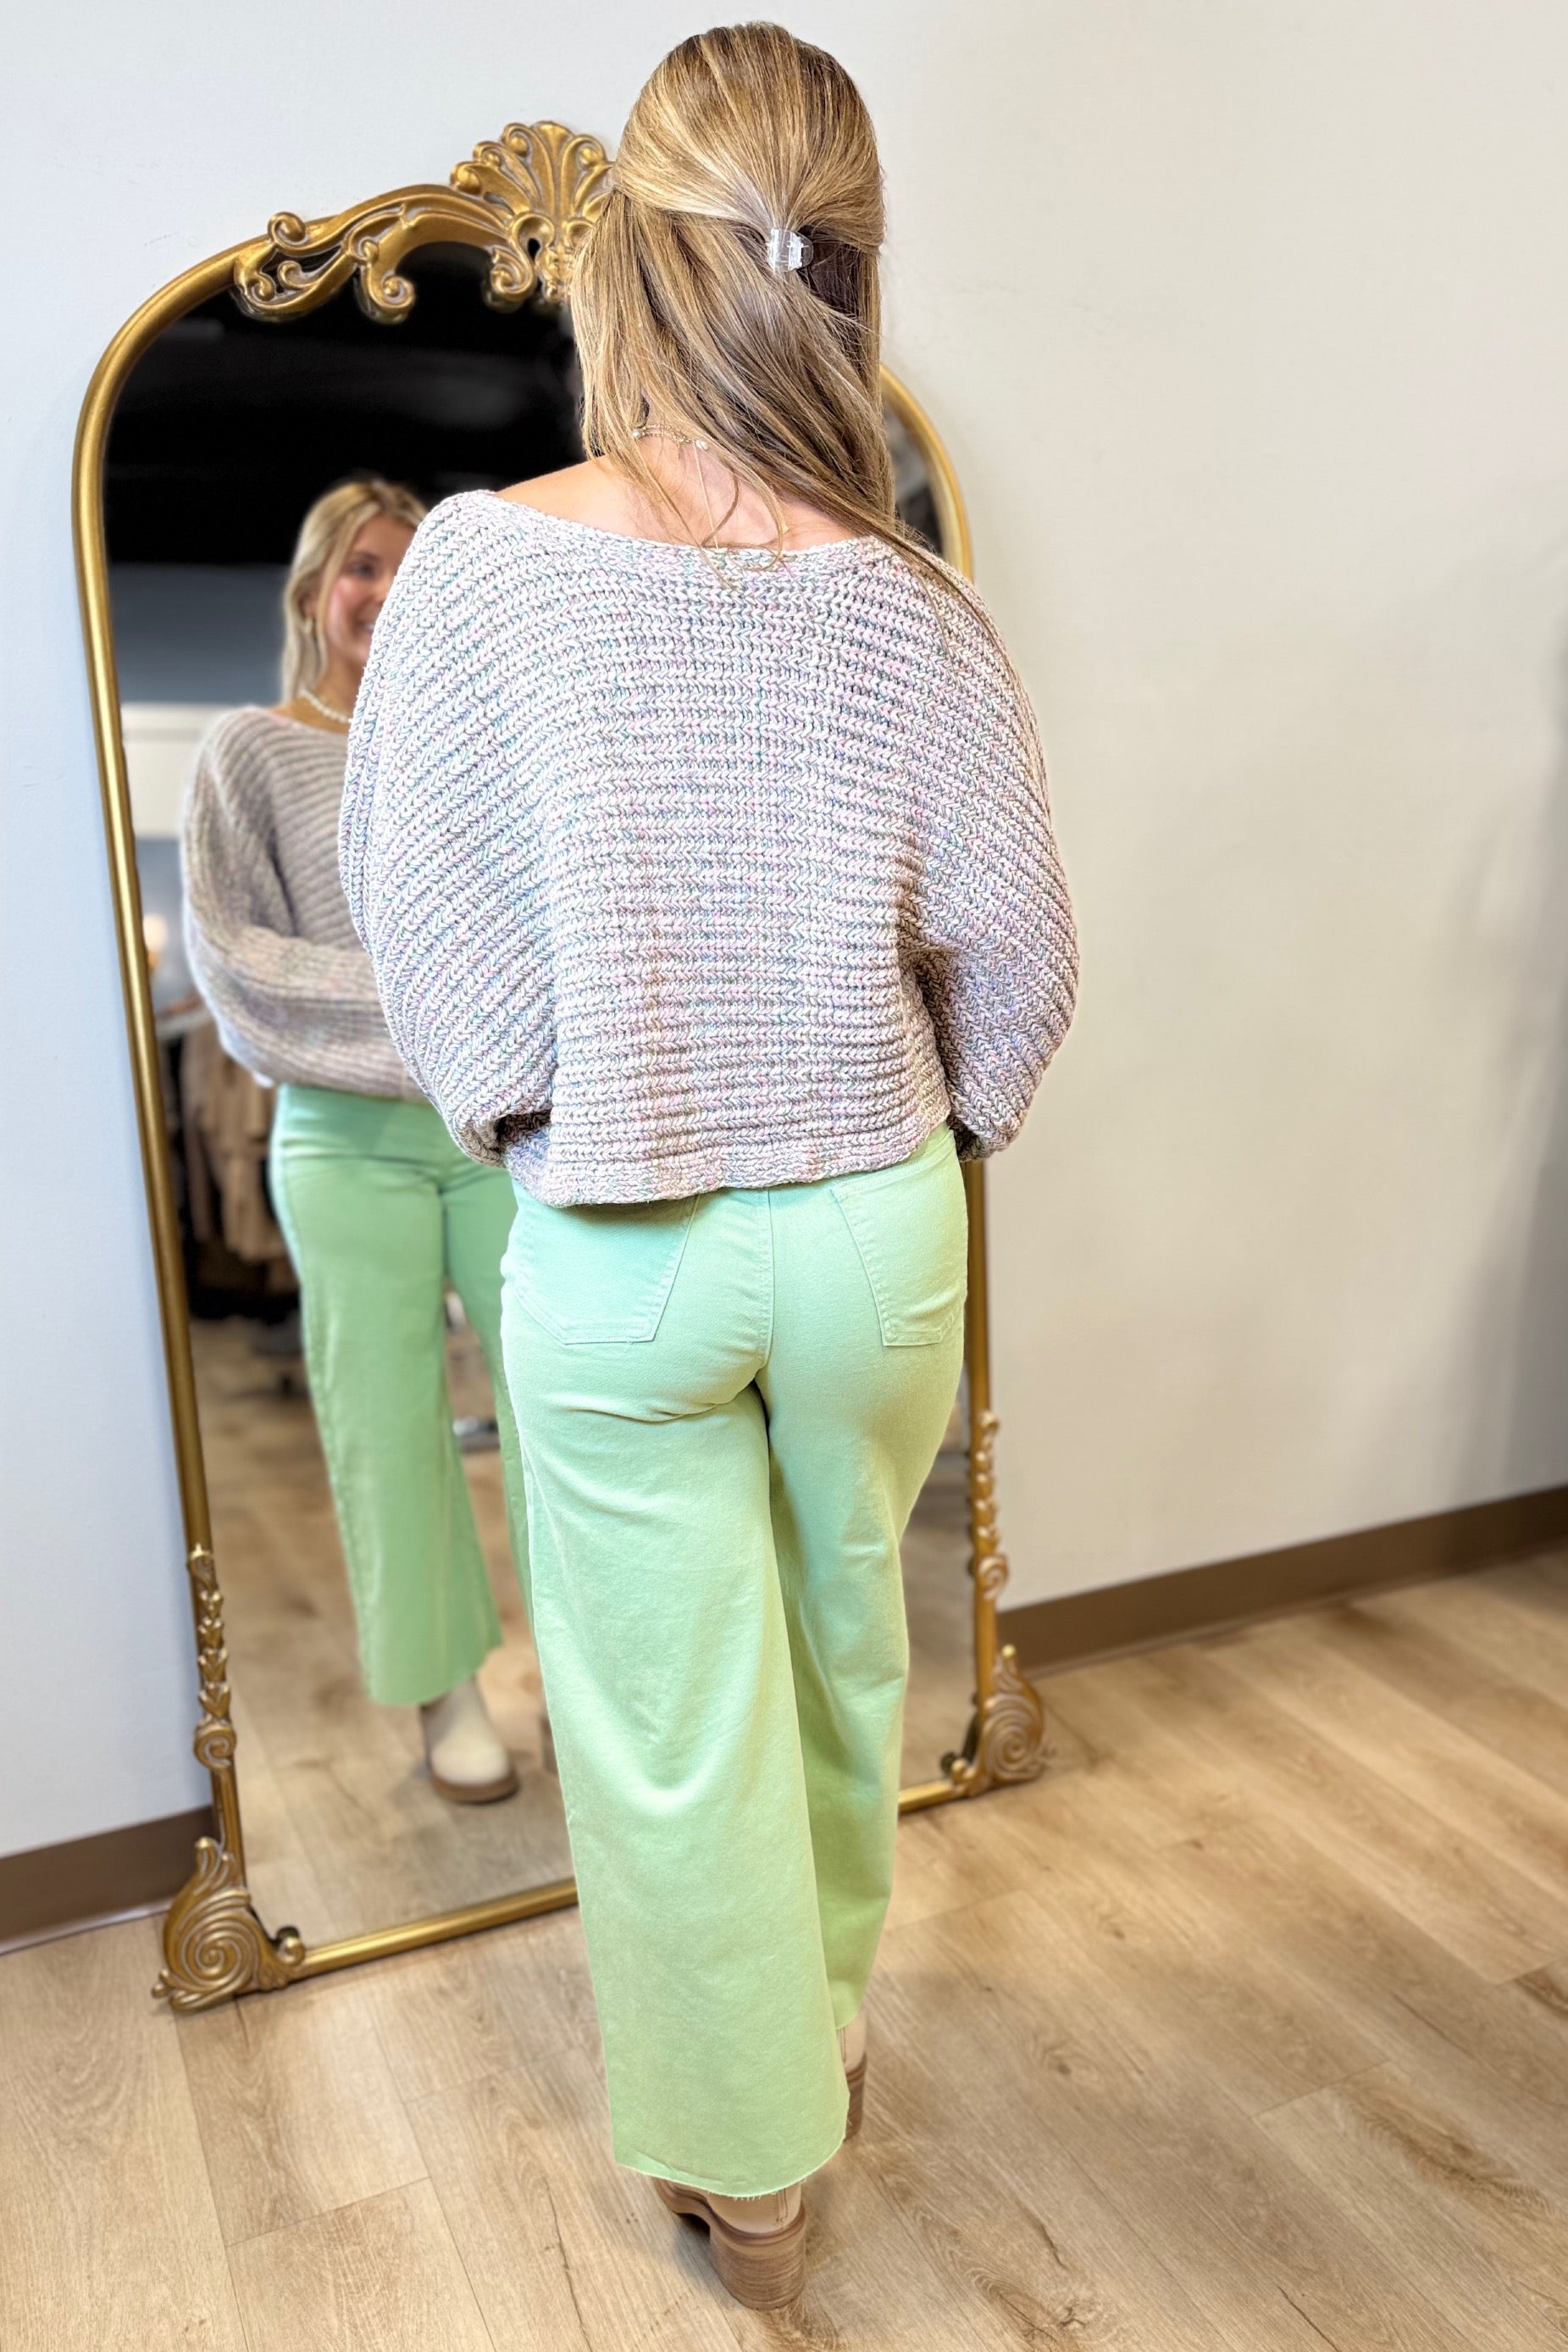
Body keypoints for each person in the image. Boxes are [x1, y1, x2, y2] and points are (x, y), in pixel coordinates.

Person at [342, 22, 1077, 2310]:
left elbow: (415, 906)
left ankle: (749, 2168)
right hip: (871, 1229)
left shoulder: (480, 573)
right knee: (851, 1647)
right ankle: (824, 2020)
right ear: (848, 261)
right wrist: (930, 1131)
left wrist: (521, 1108)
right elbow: (1020, 952)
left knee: (668, 1727)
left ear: (624, 256)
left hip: (623, 1228)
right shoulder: (913, 600)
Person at [183, 476, 532, 1806]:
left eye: (409, 566)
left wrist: (480, 1017)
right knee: (386, 1422)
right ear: (314, 590)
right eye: (363, 566)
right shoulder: (250, 751)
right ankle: (446, 1693)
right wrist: (433, 1007)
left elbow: (528, 944)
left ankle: (595, 1664)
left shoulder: (476, 755)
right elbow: (236, 964)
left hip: (496, 1129)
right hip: (342, 1143)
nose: (385, 591)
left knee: (562, 1404)